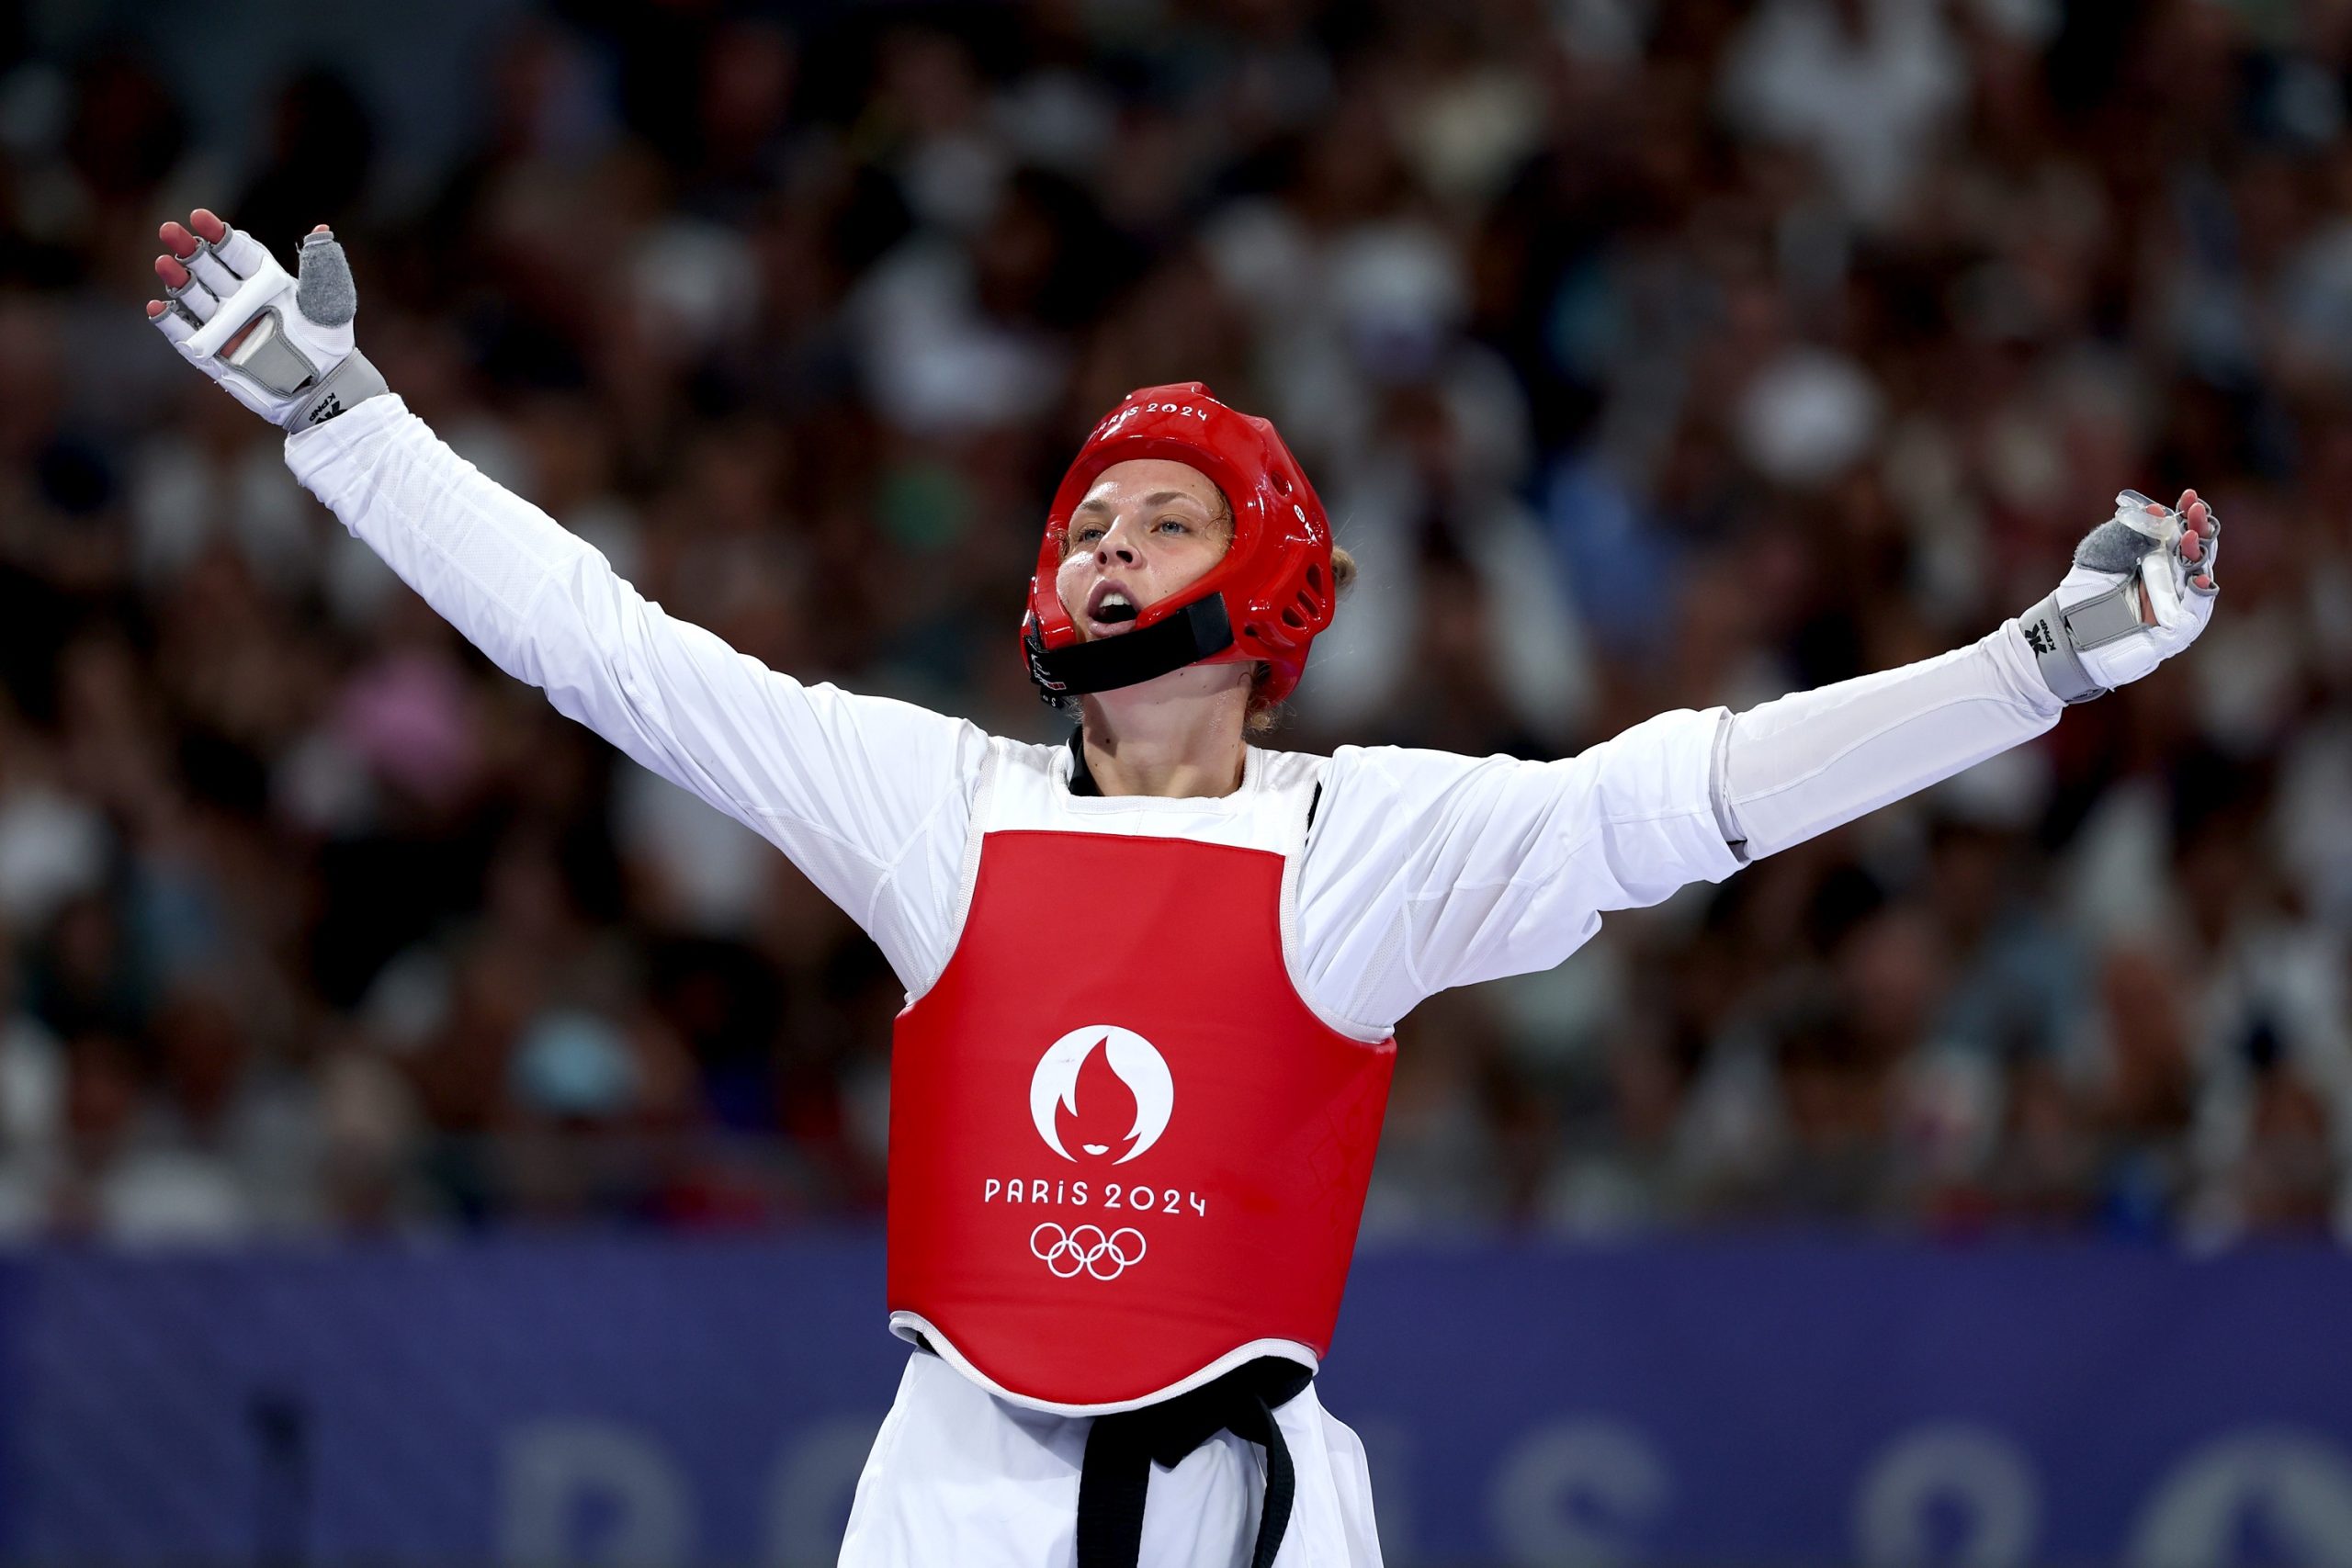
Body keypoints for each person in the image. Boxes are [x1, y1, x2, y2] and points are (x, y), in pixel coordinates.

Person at [146, 210, 2217, 1567]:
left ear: (1265, 588)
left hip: (1261, 1511)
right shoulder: (931, 806)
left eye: (1157, 516)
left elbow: (1699, 794)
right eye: (1081, 524)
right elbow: (604, 648)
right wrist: (344, 419)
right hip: (945, 1499)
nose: (1101, 549)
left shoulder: (1365, 843)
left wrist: (2027, 665)